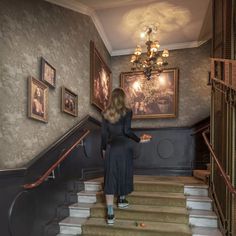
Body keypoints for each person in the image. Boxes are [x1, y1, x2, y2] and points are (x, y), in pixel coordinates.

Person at [101, 88, 150, 225]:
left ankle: (110, 213)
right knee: (123, 172)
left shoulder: (105, 113)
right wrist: (139, 140)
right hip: (124, 148)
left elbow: (104, 135)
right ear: (123, 98)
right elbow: (126, 131)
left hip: (111, 148)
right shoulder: (127, 112)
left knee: (110, 177)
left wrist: (104, 150)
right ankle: (122, 200)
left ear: (112, 98)